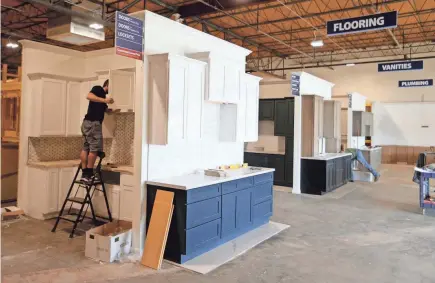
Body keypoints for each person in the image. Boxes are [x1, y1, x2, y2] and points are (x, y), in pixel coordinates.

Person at [80, 79, 114, 183]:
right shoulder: (98, 89)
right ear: (107, 85)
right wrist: (105, 100)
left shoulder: (102, 98)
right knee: (94, 149)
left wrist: (108, 109)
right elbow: (89, 96)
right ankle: (89, 174)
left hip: (86, 123)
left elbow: (99, 107)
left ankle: (84, 173)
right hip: (94, 124)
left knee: (86, 148)